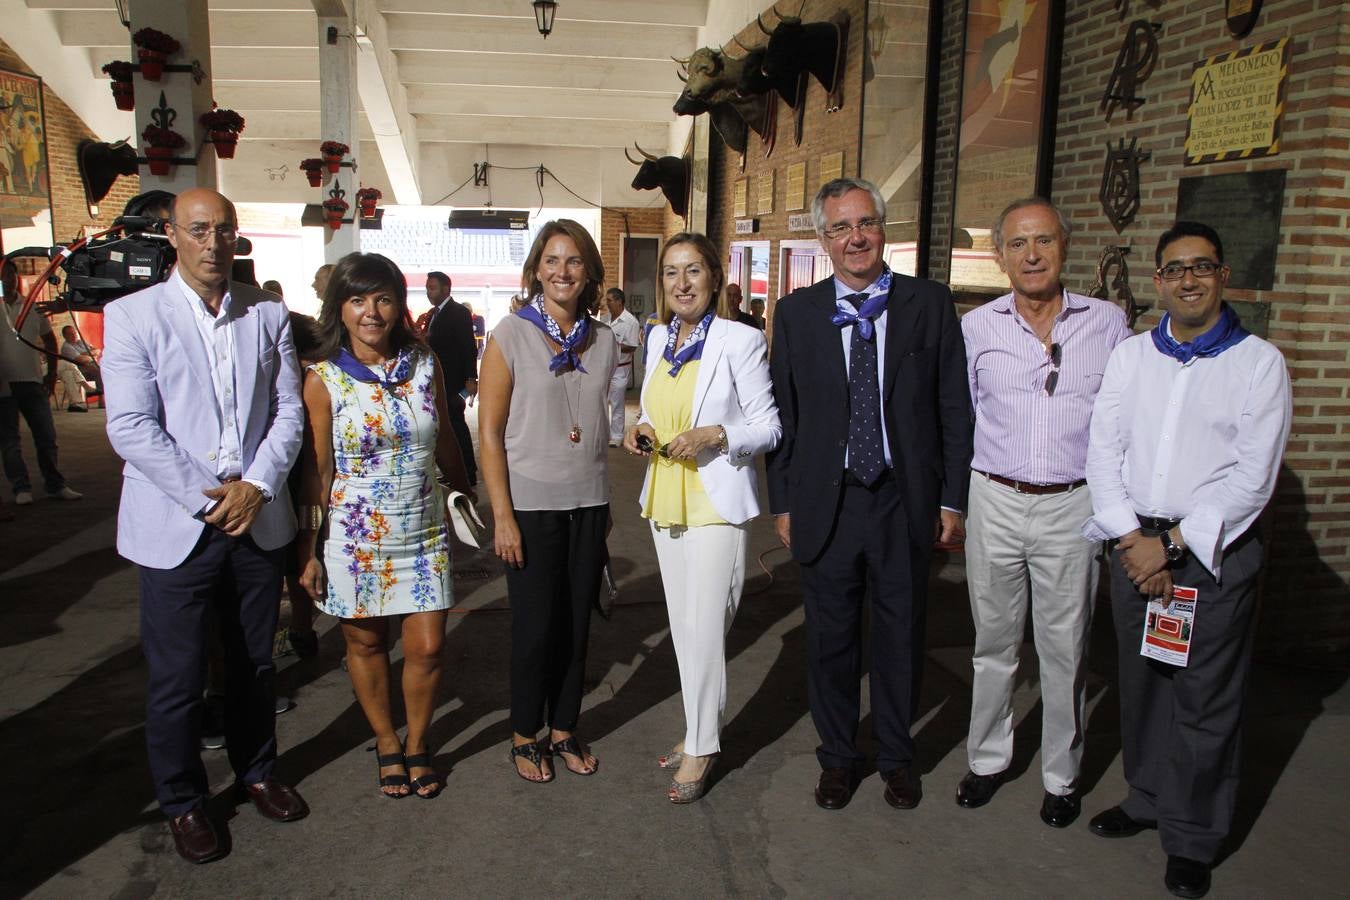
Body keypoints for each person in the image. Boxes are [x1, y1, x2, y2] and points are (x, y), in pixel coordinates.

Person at [1083, 222, 1291, 899]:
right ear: (1159, 280)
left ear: (1223, 275)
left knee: (1204, 699)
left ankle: (1192, 835)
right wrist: (1130, 538)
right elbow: (1102, 452)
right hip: (1133, 547)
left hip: (1212, 553)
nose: (1189, 279)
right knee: (1144, 684)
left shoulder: (1259, 363)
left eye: (1202, 266)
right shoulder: (1132, 356)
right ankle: (1147, 798)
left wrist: (1169, 546)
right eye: (1175, 269)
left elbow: (1253, 479)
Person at [101, 188, 309, 865]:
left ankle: (257, 772)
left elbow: (288, 412)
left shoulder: (266, 313)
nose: (213, 243)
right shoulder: (132, 316)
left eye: (224, 230)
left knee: (254, 663)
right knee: (178, 676)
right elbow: (131, 425)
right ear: (171, 235)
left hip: (255, 517)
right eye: (198, 230)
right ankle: (184, 802)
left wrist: (257, 486)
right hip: (177, 524)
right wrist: (211, 499)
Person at [766, 177, 973, 811]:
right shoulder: (797, 314)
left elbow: (953, 407)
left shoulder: (928, 303)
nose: (855, 238)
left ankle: (896, 757)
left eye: (866, 224)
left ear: (883, 230)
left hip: (901, 499)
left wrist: (951, 499)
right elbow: (784, 417)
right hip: (827, 501)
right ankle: (837, 757)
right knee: (830, 641)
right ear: (823, 239)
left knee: (900, 636)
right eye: (840, 228)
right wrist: (783, 502)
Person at [957, 198, 1132, 827]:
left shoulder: (1108, 324)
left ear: (1065, 246)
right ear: (1000, 256)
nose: (1032, 255)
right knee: (993, 643)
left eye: (1044, 241)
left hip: (1072, 504)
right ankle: (987, 760)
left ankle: (1062, 775)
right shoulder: (977, 329)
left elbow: (1124, 421)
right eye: (1018, 244)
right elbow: (961, 418)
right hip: (995, 498)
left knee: (1066, 648)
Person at [297, 252, 471, 800]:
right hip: (355, 537)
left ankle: (418, 742)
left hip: (423, 531)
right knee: (367, 644)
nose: (370, 312)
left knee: (428, 648)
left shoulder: (424, 363)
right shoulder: (322, 379)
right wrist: (308, 548)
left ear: (399, 305)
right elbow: (318, 472)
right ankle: (387, 741)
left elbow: (446, 437)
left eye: (382, 299)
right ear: (339, 308)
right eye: (357, 300)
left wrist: (467, 495)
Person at [623, 233, 781, 802]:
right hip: (665, 495)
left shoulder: (741, 340)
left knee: (708, 626)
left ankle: (703, 746)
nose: (681, 283)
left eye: (693, 271)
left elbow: (768, 427)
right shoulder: (658, 336)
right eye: (671, 272)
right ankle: (696, 731)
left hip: (715, 500)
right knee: (685, 628)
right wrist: (639, 428)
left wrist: (715, 434)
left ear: (714, 277)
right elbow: (649, 407)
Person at [478, 219, 616, 783]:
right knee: (536, 628)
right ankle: (523, 733)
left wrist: (605, 504)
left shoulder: (603, 340)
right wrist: (502, 516)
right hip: (530, 505)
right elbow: (490, 435)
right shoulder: (509, 335)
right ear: (536, 269)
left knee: (576, 627)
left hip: (589, 502)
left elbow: (600, 425)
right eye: (552, 260)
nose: (563, 271)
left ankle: (563, 727)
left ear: (589, 272)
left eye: (574, 260)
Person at [0, 259, 80, 505]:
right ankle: (20, 487)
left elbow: (49, 340)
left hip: (32, 380)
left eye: (11, 274)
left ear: (16, 277)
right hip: (4, 384)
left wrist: (51, 373)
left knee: (46, 435)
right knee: (10, 441)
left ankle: (55, 484)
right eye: (3, 275)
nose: (7, 280)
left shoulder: (31, 307)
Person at [424, 271, 479, 484]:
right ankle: (453, 472)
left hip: (455, 382)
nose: (428, 292)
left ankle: (467, 473)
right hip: (437, 382)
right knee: (445, 427)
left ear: (446, 289)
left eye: (432, 288)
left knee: (456, 424)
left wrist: (471, 378)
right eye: (427, 288)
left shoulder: (458, 312)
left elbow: (468, 347)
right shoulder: (433, 314)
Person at [603, 287, 641, 446]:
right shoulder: (604, 319)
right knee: (601, 402)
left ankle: (617, 436)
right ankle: (604, 433)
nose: (607, 303)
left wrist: (613, 345)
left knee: (617, 403)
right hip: (604, 367)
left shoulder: (631, 322)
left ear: (619, 301)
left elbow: (632, 346)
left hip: (620, 368)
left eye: (610, 300)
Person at [59, 324, 102, 397]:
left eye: (74, 333)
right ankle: (100, 394)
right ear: (65, 336)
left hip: (91, 365)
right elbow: (80, 359)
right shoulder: (66, 347)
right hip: (79, 370)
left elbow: (98, 350)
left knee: (105, 369)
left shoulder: (80, 342)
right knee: (99, 370)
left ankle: (101, 394)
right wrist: (92, 355)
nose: (74, 335)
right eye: (70, 334)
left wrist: (85, 354)